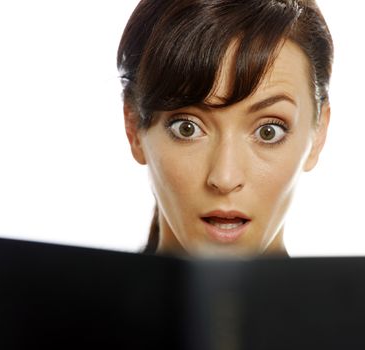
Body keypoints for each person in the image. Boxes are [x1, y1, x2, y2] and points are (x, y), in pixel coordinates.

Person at [118, 0, 333, 258]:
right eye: (187, 128)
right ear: (133, 128)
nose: (224, 178)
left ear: (319, 133)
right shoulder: (66, 298)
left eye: (268, 131)